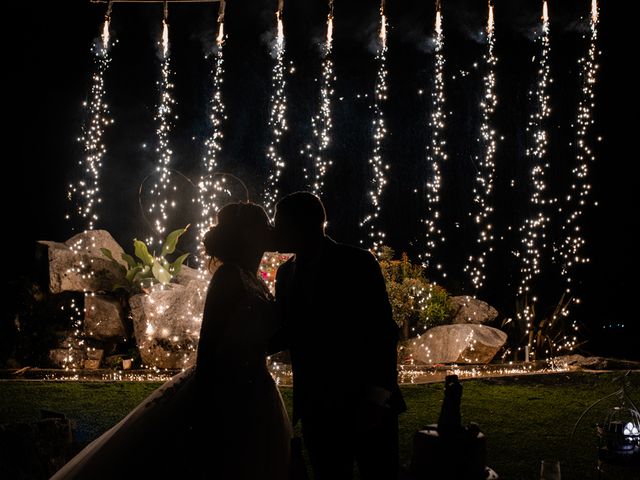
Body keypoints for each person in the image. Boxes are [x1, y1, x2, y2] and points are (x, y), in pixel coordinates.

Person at [51, 202, 291, 480]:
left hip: (256, 385)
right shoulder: (228, 278)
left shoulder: (255, 280)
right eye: (264, 225)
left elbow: (260, 339)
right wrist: (209, 400)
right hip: (228, 386)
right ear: (248, 233)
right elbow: (209, 344)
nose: (270, 231)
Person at [271, 191, 406, 480]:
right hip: (317, 409)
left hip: (365, 400)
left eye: (280, 223)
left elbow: (382, 331)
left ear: (304, 225)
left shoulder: (356, 262)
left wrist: (377, 396)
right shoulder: (285, 274)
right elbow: (286, 331)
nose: (274, 230)